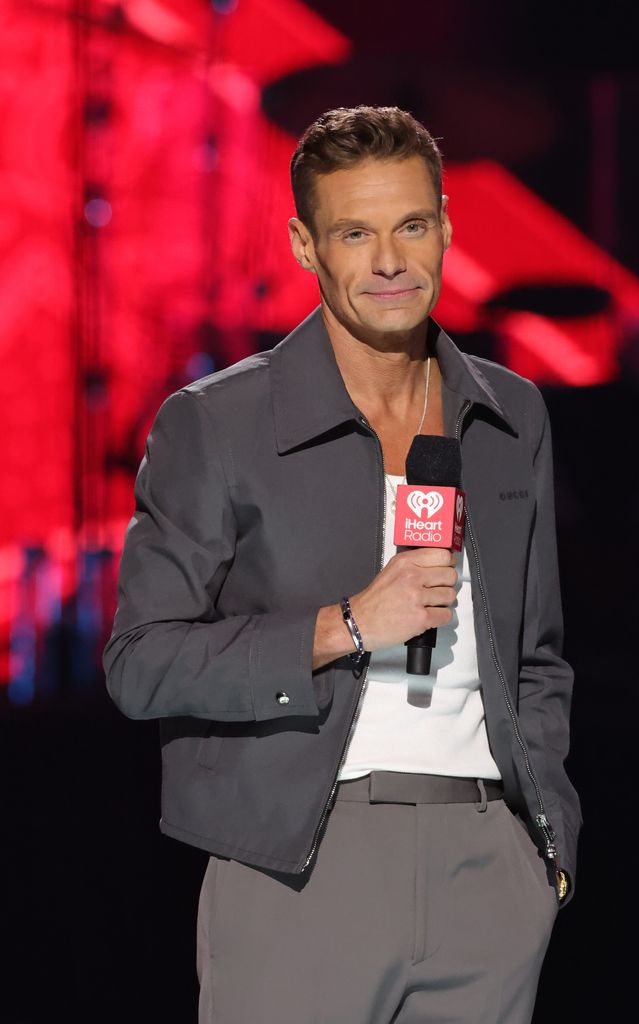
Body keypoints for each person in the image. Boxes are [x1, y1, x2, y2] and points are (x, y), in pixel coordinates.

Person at [103, 104, 581, 1024]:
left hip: (489, 869)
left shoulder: (512, 415)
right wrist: (347, 625)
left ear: (445, 225)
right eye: (355, 233)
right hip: (300, 865)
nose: (391, 261)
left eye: (411, 226)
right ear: (303, 245)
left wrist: (545, 852)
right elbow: (140, 661)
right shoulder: (221, 423)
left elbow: (538, 656)